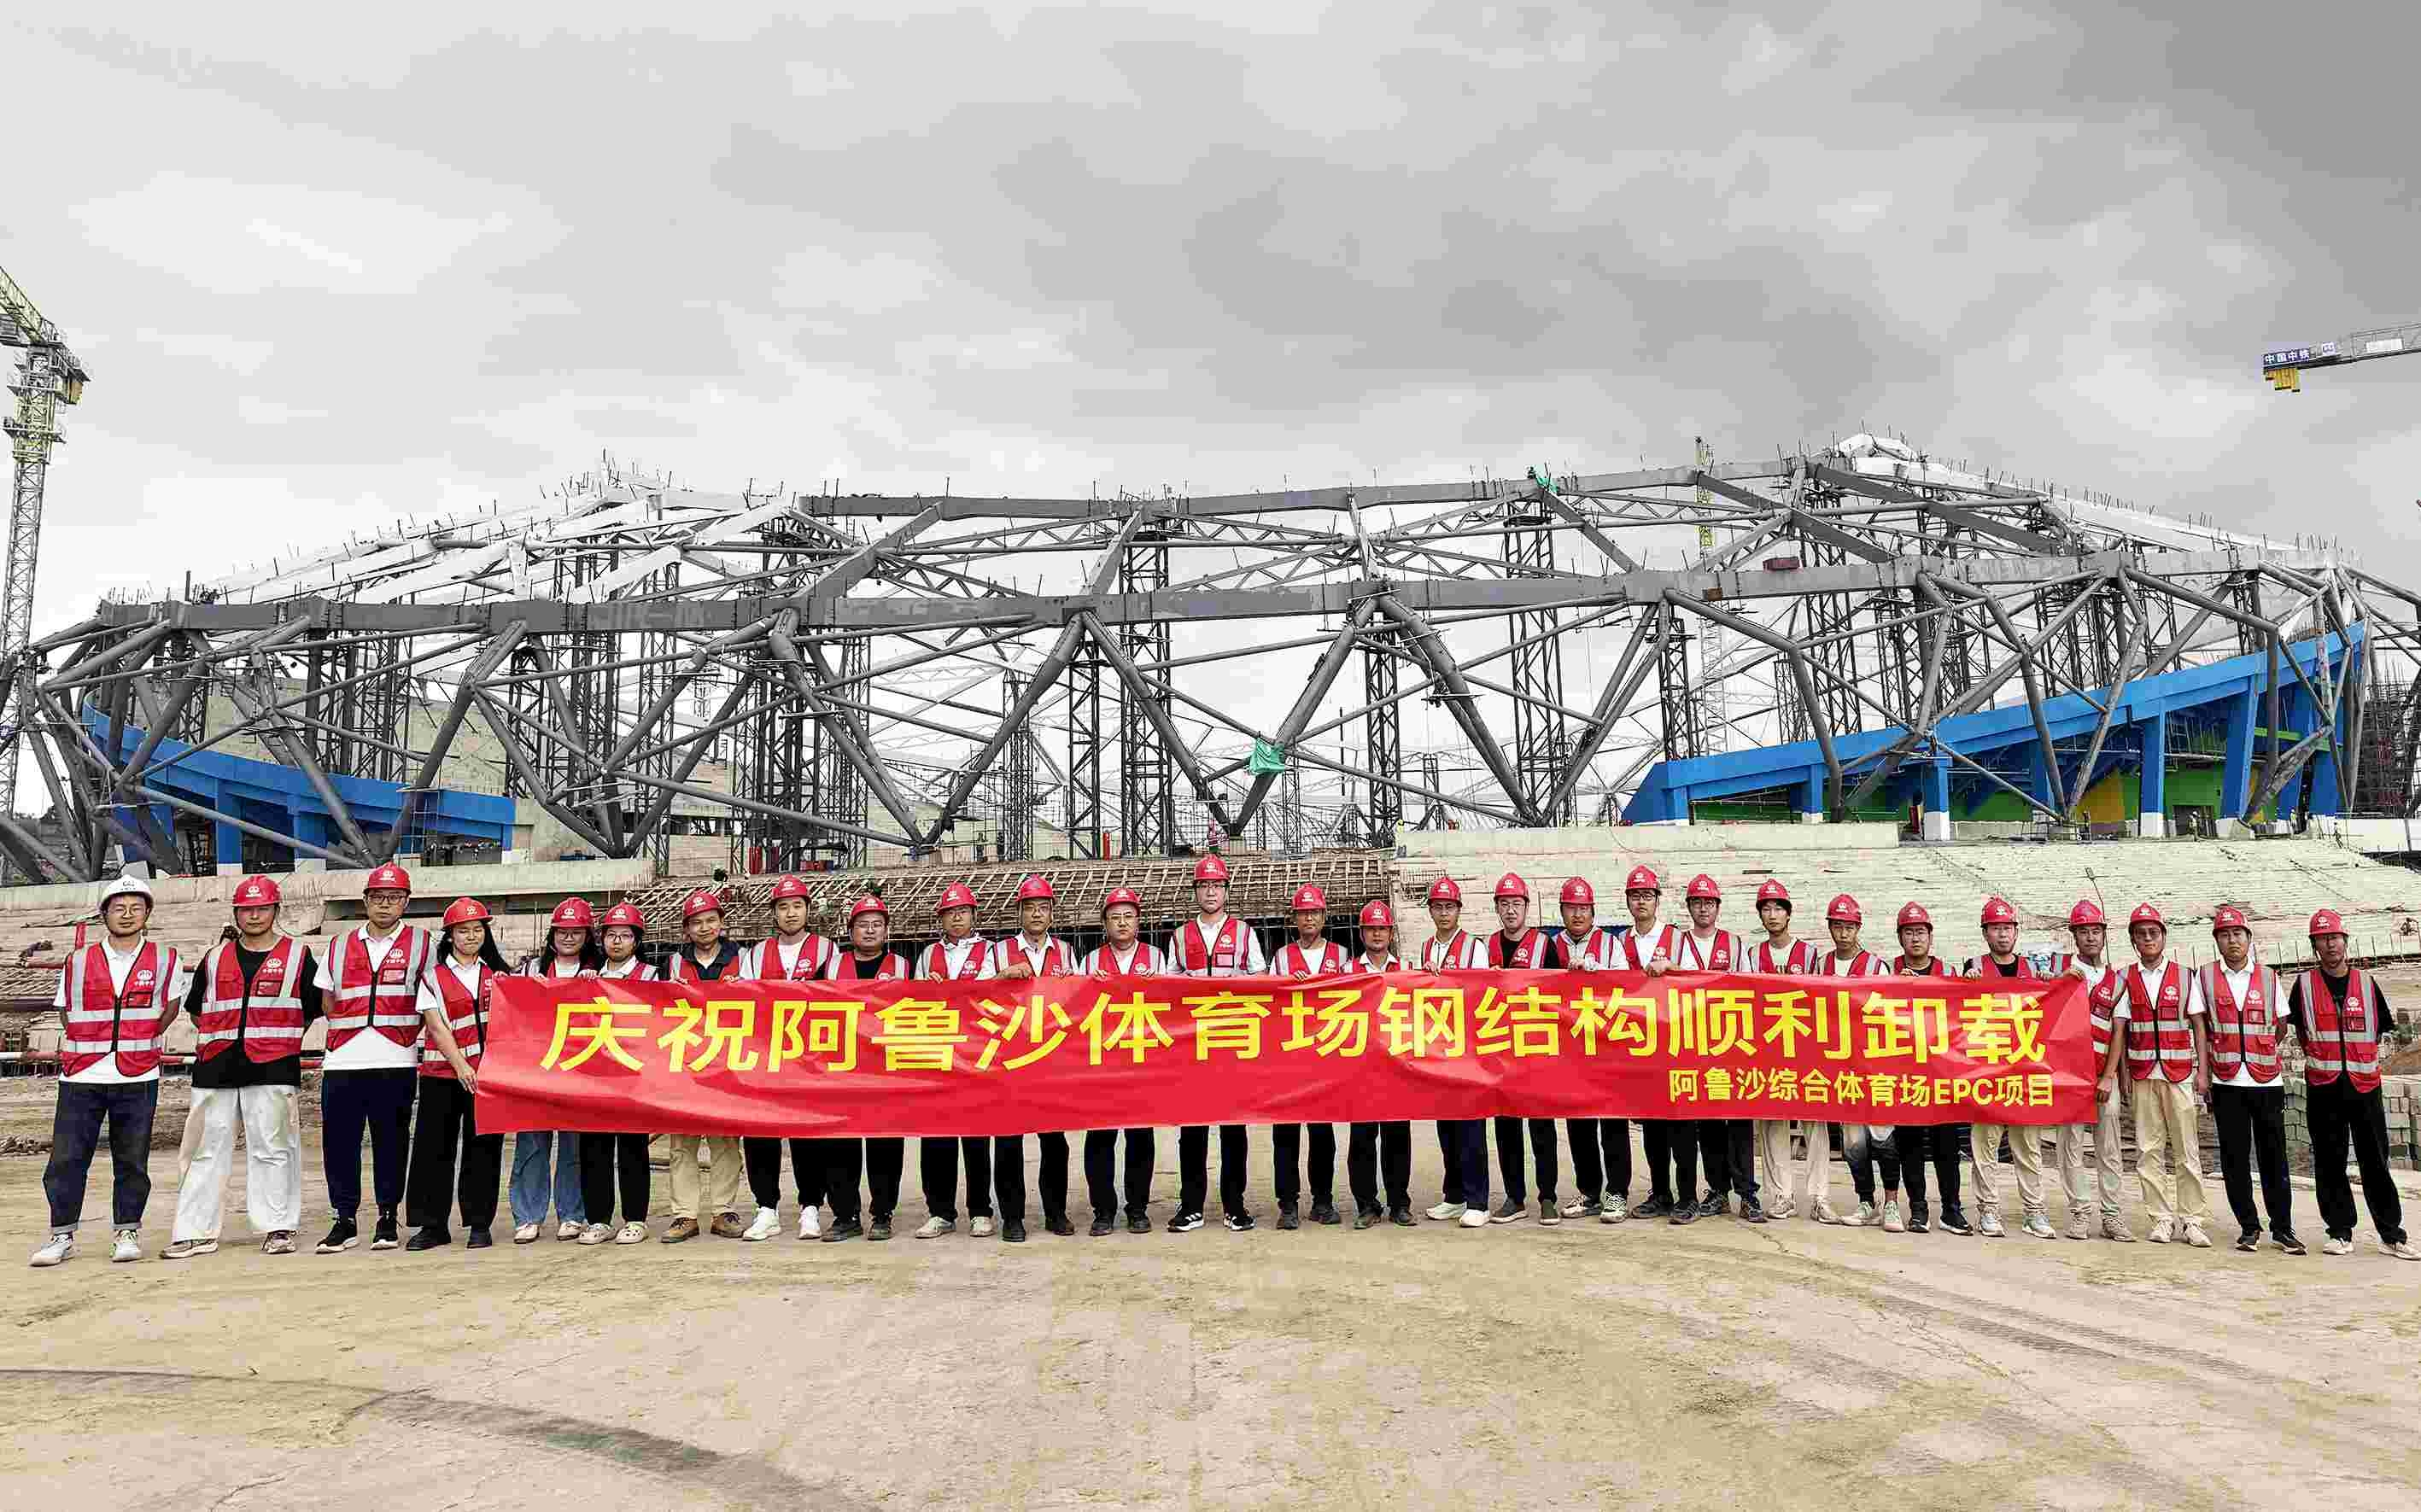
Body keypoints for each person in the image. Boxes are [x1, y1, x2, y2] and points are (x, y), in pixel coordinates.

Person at [31, 876, 190, 1269]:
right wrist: (95, 1040)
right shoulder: (78, 960)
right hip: (83, 1073)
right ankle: (61, 1235)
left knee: (132, 1160)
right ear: (104, 914)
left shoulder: (166, 959)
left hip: (136, 1074)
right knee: (67, 1159)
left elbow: (169, 1009)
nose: (127, 914)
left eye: (136, 907)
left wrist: (140, 1037)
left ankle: (127, 1230)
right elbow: (67, 1012)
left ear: (147, 913)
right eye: (119, 907)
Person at [165, 874, 319, 1260]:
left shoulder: (299, 956)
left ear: (275, 910)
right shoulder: (214, 958)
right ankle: (195, 1232)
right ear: (236, 912)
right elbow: (198, 1011)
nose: (254, 915)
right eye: (247, 909)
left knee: (274, 1147)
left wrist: (273, 1035)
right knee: (203, 1149)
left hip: (273, 1066)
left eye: (261, 908)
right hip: (216, 1066)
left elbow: (311, 1009)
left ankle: (277, 1227)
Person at [2284, 908, 2418, 1259]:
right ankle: (2340, 1231)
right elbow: (2299, 1031)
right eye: (2322, 939)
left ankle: (2392, 1234)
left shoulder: (2366, 983)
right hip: (2324, 1086)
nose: (2330, 944)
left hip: (2364, 1086)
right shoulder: (2304, 985)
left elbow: (2381, 1029)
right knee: (2330, 1160)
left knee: (2376, 1160)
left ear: (2345, 941)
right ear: (2314, 946)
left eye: (2334, 937)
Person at [316, 863, 431, 1257]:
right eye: (378, 897)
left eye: (394, 898)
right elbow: (327, 999)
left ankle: (386, 1215)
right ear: (365, 900)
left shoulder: (422, 944)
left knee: (391, 1140)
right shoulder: (338, 944)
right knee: (340, 1142)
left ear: (406, 902)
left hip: (396, 1056)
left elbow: (432, 999)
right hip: (344, 1057)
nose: (385, 904)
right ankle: (344, 1218)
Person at [2097, 903, 2211, 1247]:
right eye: (2140, 934)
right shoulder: (2125, 978)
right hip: (2143, 1073)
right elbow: (2119, 1029)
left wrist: (2202, 1071)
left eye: (2153, 933)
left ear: (2163, 936)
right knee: (2148, 1149)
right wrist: (2116, 1074)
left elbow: (2199, 1027)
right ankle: (2160, 1218)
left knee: (2187, 1150)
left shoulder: (2184, 975)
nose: (2148, 939)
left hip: (2178, 1075)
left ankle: (2192, 1220)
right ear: (2133, 940)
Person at [403, 898, 511, 1250]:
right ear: (449, 936)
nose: (471, 936)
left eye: (477, 930)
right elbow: (435, 1026)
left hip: (488, 1077)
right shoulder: (433, 978)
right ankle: (433, 1225)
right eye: (463, 931)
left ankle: (479, 1223)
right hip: (442, 1075)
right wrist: (462, 1066)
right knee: (434, 1150)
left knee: (483, 1150)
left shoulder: (499, 975)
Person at [977, 875, 1076, 1242]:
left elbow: (1078, 1001)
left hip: (1051, 1058)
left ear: (1051, 914)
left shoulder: (1065, 952)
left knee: (1054, 1142)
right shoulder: (998, 952)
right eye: (1030, 907)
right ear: (1019, 912)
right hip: (1009, 1058)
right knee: (1008, 1141)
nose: (1037, 913)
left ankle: (1055, 1213)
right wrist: (1002, 977)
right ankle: (1013, 1218)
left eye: (1043, 907)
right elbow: (977, 998)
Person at [1171, 853, 1266, 1234]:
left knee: (1232, 1130)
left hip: (1232, 1043)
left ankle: (1234, 1206)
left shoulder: (1244, 933)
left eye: (1216, 885)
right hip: (1193, 1049)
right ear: (1195, 891)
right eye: (1204, 885)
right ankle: (1191, 1205)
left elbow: (1262, 980)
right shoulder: (1180, 935)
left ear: (1226, 890)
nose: (1210, 892)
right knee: (1192, 1130)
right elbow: (1167, 986)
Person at [742, 874, 834, 1241]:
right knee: (760, 1132)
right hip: (764, 1056)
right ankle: (766, 1208)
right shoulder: (756, 954)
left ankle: (810, 1207)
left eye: (797, 906)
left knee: (807, 1134)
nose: (791, 913)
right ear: (774, 914)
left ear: (808, 910)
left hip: (809, 1059)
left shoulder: (827, 951)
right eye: (783, 907)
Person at [2202, 905, 2298, 1255]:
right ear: (2217, 941)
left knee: (2275, 1157)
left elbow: (2282, 1025)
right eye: (2224, 935)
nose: (2232, 941)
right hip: (2227, 1082)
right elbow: (2203, 1025)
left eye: (2237, 934)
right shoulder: (2206, 977)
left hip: (2266, 1082)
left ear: (2248, 938)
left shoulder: (2269, 977)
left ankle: (2283, 1228)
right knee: (2235, 1159)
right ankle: (2248, 1227)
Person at [822, 895, 912, 1242]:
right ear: (851, 931)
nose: (870, 930)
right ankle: (845, 1215)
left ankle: (882, 1214)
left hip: (886, 1072)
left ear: (887, 930)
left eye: (877, 925)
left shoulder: (904, 967)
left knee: (885, 1146)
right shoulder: (831, 967)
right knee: (840, 1146)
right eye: (863, 924)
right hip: (841, 1070)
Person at [662, 889, 749, 1243]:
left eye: (711, 920)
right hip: (685, 1063)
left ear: (721, 924)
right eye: (696, 923)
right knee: (682, 1143)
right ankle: (684, 1215)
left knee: (726, 1141)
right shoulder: (672, 963)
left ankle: (723, 1210)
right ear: (686, 929)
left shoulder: (742, 959)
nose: (704, 928)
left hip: (728, 1061)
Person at [1674, 874, 1761, 1223]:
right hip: (1694, 1044)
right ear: (1690, 908)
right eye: (1697, 902)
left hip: (1732, 1044)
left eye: (1709, 902)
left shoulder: (1735, 945)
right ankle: (1718, 1190)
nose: (1703, 908)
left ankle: (1747, 1193)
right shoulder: (1679, 944)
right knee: (1708, 1122)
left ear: (1718, 907)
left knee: (1739, 1121)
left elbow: (1752, 990)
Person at [1081, 886, 1167, 1235]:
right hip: (1102, 1065)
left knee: (1140, 1139)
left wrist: (1158, 985)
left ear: (1138, 921)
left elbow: (1175, 1004)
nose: (1121, 923)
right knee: (1100, 1140)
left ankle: (1137, 1208)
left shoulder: (1157, 959)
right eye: (1114, 917)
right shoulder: (1089, 961)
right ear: (1104, 924)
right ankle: (1103, 1210)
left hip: (1142, 1064)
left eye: (1128, 916)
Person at [509, 899, 594, 1245]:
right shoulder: (529, 971)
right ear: (552, 935)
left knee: (574, 1148)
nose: (569, 937)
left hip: (579, 1074)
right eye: (563, 931)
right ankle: (528, 1216)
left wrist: (596, 982)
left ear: (587, 936)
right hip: (535, 1072)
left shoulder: (597, 973)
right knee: (531, 1145)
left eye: (576, 932)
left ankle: (572, 1214)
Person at [1814, 895, 1899, 1231]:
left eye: (1849, 926)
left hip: (1874, 1065)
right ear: (1830, 927)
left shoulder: (1877, 966)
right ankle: (1866, 1201)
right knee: (1853, 1143)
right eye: (1838, 925)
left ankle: (1891, 1202)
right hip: (1840, 1069)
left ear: (1858, 928)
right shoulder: (1821, 966)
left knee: (1883, 1137)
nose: (1844, 932)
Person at [915, 881, 995, 1241]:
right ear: (941, 919)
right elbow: (910, 1003)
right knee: (936, 1140)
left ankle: (980, 1210)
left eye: (962, 912)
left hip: (977, 1056)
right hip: (938, 1057)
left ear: (974, 916)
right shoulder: (928, 955)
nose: (956, 918)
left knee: (976, 1139)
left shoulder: (992, 952)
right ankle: (940, 1211)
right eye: (950, 913)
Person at [1481, 873, 1562, 1225]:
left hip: (1538, 1049)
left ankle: (1548, 1197)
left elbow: (1565, 996)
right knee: (1506, 1128)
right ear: (1497, 908)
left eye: (1516, 903)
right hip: (1501, 1051)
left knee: (1542, 1128)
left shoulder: (1546, 945)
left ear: (1527, 907)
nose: (1510, 910)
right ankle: (1515, 1197)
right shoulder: (1488, 947)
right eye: (1504, 904)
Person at [1547, 876, 1629, 1222]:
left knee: (1612, 1122)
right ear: (1562, 911)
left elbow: (1630, 990)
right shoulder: (1551, 947)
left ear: (1593, 912)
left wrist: (1601, 977)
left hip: (1606, 1048)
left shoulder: (1611, 945)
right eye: (1571, 908)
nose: (1577, 915)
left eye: (1583, 909)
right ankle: (1590, 1191)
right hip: (1569, 1050)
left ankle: (1617, 1192)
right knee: (1578, 1124)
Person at [1617, 864, 1696, 1223]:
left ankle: (1688, 1196)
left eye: (1647, 895)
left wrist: (1673, 967)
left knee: (1681, 1127)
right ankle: (1660, 1193)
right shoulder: (1622, 942)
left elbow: (1698, 983)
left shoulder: (1677, 939)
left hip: (1675, 1045)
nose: (1641, 902)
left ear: (1657, 900)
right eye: (1635, 896)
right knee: (1652, 1129)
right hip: (1640, 1047)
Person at [577, 902, 657, 1246]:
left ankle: (635, 1218)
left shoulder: (652, 976)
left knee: (632, 1149)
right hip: (594, 1076)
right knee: (593, 1148)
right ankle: (598, 1219)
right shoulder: (589, 976)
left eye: (625, 935)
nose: (618, 942)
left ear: (636, 941)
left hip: (633, 1076)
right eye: (611, 935)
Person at [1888, 902, 1968, 1236]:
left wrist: (1972, 985)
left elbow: (1965, 1013)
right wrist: (1894, 985)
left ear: (1930, 937)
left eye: (1921, 932)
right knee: (1909, 1144)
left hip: (1941, 1073)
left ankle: (1951, 1209)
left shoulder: (1947, 971)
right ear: (1900, 938)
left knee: (1946, 1144)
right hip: (1904, 1072)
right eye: (1909, 933)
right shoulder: (1886, 971)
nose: (1915, 939)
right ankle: (1917, 1208)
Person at [1271, 884, 1346, 1229]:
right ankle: (1287, 1204)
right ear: (1295, 919)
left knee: (1322, 1135)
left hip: (1325, 1058)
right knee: (1285, 1136)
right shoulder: (1282, 958)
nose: (1309, 918)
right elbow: (1267, 1002)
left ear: (1324, 916)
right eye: (1303, 913)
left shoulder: (1341, 955)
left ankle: (1323, 1200)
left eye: (1314, 912)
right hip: (1288, 1058)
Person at [1746, 879, 1822, 1223]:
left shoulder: (1808, 955)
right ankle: (1781, 1195)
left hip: (1804, 1051)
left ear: (1789, 914)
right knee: (1772, 1126)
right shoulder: (1752, 955)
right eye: (1766, 908)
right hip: (1766, 1052)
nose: (1772, 914)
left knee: (1815, 1123)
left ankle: (1819, 1195)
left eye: (1778, 908)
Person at [1418, 875, 1489, 1228]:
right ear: (1430, 910)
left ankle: (1478, 1199)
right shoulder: (1426, 947)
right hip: (1438, 1048)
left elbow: (1479, 993)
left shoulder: (1474, 946)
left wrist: (1443, 978)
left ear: (1459, 910)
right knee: (1446, 1126)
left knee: (1471, 1127)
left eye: (1449, 906)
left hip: (1468, 1048)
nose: (1444, 912)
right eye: (1438, 907)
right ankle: (1455, 1195)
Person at [2056, 901, 2128, 1241]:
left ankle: (2112, 1214)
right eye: (2083, 932)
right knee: (2070, 1146)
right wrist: (2058, 983)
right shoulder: (2063, 971)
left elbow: (2118, 1032)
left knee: (2109, 1148)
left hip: (2101, 1074)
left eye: (2095, 931)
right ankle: (2080, 1212)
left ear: (2103, 935)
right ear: (2074, 936)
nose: (2090, 937)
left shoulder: (2116, 981)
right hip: (2068, 1076)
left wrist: (2109, 1075)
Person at [1346, 901, 1416, 1229]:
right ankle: (1366, 1204)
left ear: (1390, 932)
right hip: (1360, 1070)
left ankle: (1399, 1203)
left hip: (1395, 1068)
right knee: (1361, 1140)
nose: (1377, 933)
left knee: (1397, 1138)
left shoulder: (1405, 968)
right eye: (1371, 928)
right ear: (1362, 933)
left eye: (1382, 928)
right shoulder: (1347, 972)